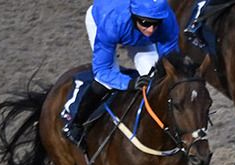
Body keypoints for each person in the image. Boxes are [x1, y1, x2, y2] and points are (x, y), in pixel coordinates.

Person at [63, 0, 181, 145]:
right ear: (134, 16)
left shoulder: (167, 22)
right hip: (103, 21)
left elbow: (170, 61)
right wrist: (130, 83)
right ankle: (76, 123)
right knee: (106, 83)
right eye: (145, 23)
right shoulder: (111, 23)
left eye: (156, 23)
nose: (151, 30)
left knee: (157, 80)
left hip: (138, 37)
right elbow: (102, 71)